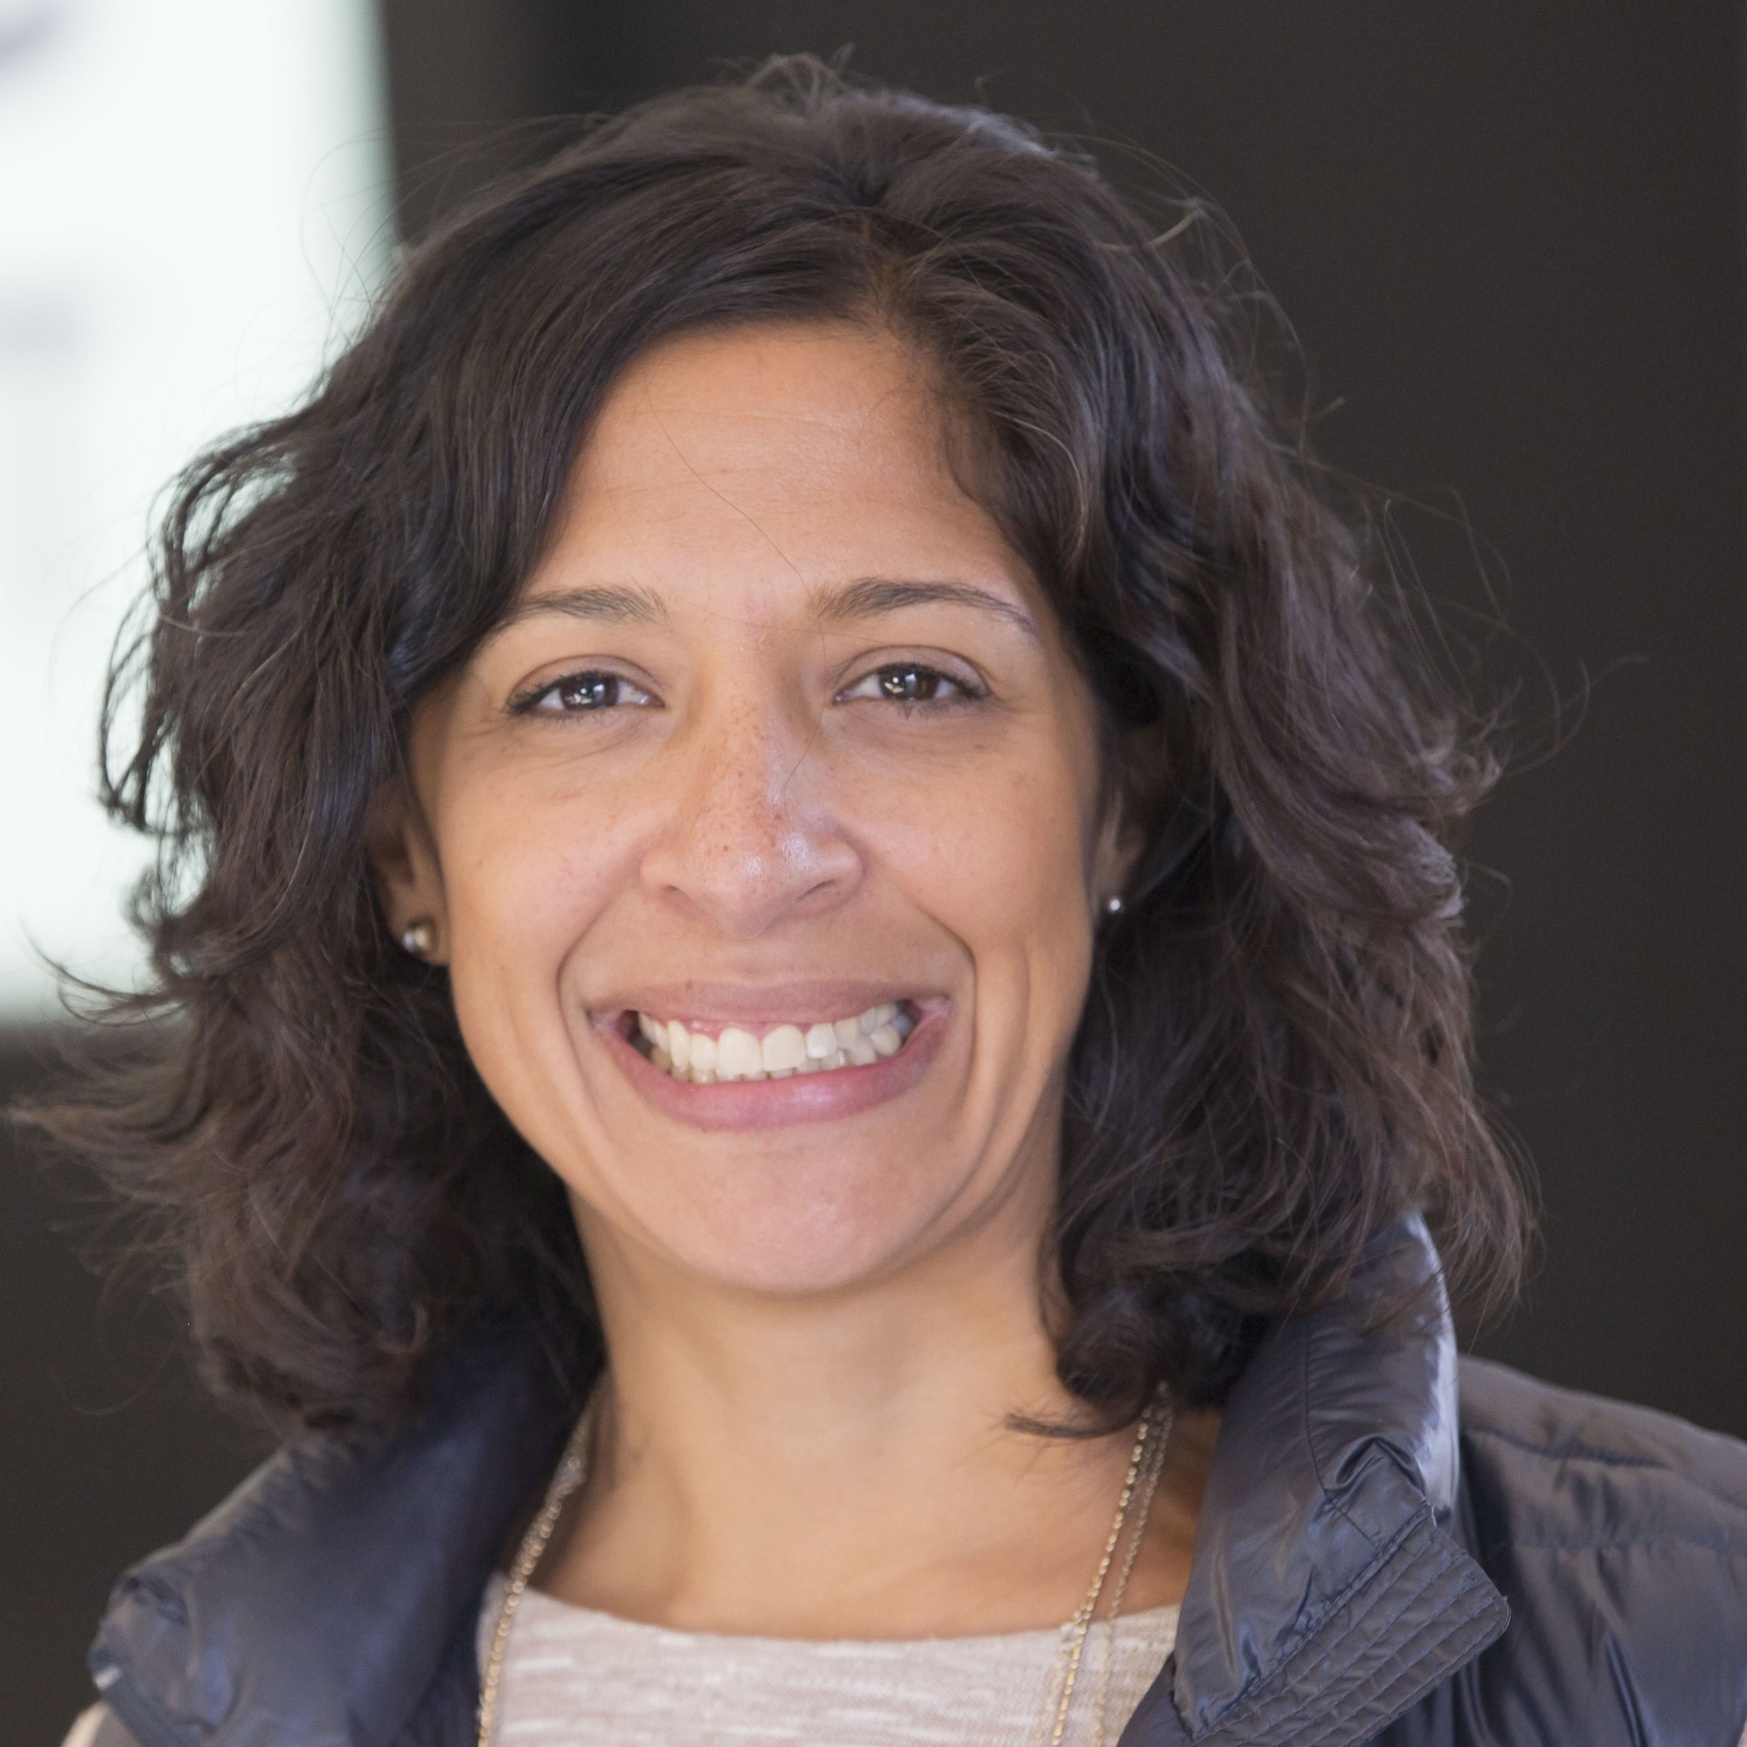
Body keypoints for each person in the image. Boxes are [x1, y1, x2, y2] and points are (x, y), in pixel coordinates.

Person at [40, 56, 1747, 1747]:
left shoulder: (1692, 1649)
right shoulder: (193, 1722)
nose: (749, 851)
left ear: (1130, 789)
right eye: (584, 691)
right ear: (403, 847)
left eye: (910, 680)